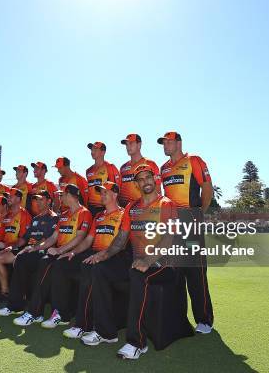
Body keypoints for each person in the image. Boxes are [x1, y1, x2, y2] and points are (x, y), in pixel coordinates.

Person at [81, 164, 177, 360]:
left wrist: (148, 260)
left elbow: (170, 237)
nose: (145, 182)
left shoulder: (166, 204)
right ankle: (106, 333)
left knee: (137, 274)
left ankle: (137, 343)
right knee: (100, 269)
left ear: (155, 178)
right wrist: (104, 255)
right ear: (136, 184)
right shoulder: (132, 207)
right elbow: (121, 239)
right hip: (136, 263)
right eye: (140, 179)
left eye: (147, 177)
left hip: (163, 265)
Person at [46, 181, 129, 336]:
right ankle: (61, 314)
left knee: (90, 269)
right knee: (61, 264)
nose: (102, 195)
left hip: (113, 256)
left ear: (115, 194)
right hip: (94, 253)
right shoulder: (98, 216)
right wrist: (73, 253)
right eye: (101, 192)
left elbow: (121, 243)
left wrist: (102, 255)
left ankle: (83, 325)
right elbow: (88, 241)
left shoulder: (124, 214)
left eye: (106, 192)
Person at [11, 184, 92, 327]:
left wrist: (60, 251)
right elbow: (53, 238)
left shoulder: (84, 213)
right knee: (31, 259)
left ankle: (41, 313)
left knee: (48, 263)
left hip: (75, 254)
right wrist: (35, 248)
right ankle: (25, 308)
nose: (60, 198)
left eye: (63, 195)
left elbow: (80, 238)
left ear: (71, 196)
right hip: (61, 253)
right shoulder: (64, 215)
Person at [158, 131, 214, 334]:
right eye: (163, 143)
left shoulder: (194, 160)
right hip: (172, 224)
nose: (165, 145)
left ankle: (204, 320)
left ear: (179, 143)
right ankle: (179, 319)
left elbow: (207, 189)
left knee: (196, 271)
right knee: (175, 271)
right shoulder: (163, 169)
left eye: (169, 142)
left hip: (190, 221)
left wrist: (200, 213)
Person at [0, 190, 59, 317]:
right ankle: (13, 303)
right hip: (30, 250)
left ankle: (16, 305)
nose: (38, 202)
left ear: (49, 201)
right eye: (37, 200)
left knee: (21, 259)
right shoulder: (35, 218)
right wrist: (13, 246)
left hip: (43, 251)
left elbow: (47, 240)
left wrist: (31, 248)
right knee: (11, 257)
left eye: (41, 199)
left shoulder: (54, 218)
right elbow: (24, 238)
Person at [118, 133, 161, 207]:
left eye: (131, 143)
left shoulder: (149, 163)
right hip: (125, 210)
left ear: (139, 145)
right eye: (126, 145)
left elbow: (158, 189)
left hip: (144, 208)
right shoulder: (123, 168)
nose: (128, 147)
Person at [85, 141, 120, 217]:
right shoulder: (88, 170)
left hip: (105, 207)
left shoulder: (110, 167)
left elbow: (116, 189)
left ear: (103, 152)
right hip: (91, 208)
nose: (92, 152)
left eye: (95, 149)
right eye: (91, 150)